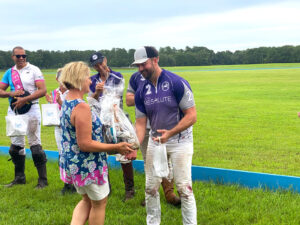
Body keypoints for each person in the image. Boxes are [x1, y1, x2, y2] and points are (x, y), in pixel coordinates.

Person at [58, 61, 134, 225]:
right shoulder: (81, 107)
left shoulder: (66, 102)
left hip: (74, 164)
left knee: (86, 200)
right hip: (88, 164)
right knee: (99, 203)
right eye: (87, 78)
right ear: (79, 79)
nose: (90, 81)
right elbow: (85, 143)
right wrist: (116, 147)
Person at [132, 46, 197, 225]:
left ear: (155, 59)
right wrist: (134, 145)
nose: (140, 69)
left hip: (180, 141)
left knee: (184, 188)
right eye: (137, 66)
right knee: (150, 188)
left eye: (143, 64)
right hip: (156, 142)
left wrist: (171, 133)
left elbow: (192, 116)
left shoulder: (176, 82)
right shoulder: (141, 91)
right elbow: (140, 123)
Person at [126, 73, 181, 206]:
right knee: (148, 162)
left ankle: (169, 193)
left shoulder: (166, 77)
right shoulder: (135, 77)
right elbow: (128, 100)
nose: (142, 67)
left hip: (162, 127)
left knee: (166, 159)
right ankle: (150, 195)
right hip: (144, 126)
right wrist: (147, 96)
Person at [89, 52, 135, 201]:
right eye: (96, 65)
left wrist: (106, 87)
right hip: (101, 121)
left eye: (101, 63)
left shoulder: (117, 76)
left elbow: (118, 95)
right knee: (102, 154)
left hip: (117, 119)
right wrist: (97, 92)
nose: (99, 67)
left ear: (105, 60)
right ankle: (106, 188)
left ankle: (130, 190)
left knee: (124, 154)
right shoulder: (92, 80)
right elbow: (91, 101)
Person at [0, 46, 48, 189]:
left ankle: (42, 181)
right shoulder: (9, 72)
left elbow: (43, 90)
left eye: (24, 56)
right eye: (18, 56)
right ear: (13, 57)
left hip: (31, 109)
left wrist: (24, 99)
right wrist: (11, 94)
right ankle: (19, 178)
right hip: (15, 112)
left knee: (35, 146)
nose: (21, 58)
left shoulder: (34, 70)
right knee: (15, 147)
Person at [45, 69, 76, 194]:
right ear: (57, 79)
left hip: (69, 128)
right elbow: (53, 110)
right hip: (58, 127)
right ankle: (66, 184)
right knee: (62, 155)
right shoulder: (54, 92)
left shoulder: (72, 93)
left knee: (71, 154)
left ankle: (75, 183)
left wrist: (60, 102)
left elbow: (73, 110)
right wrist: (50, 103)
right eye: (60, 78)